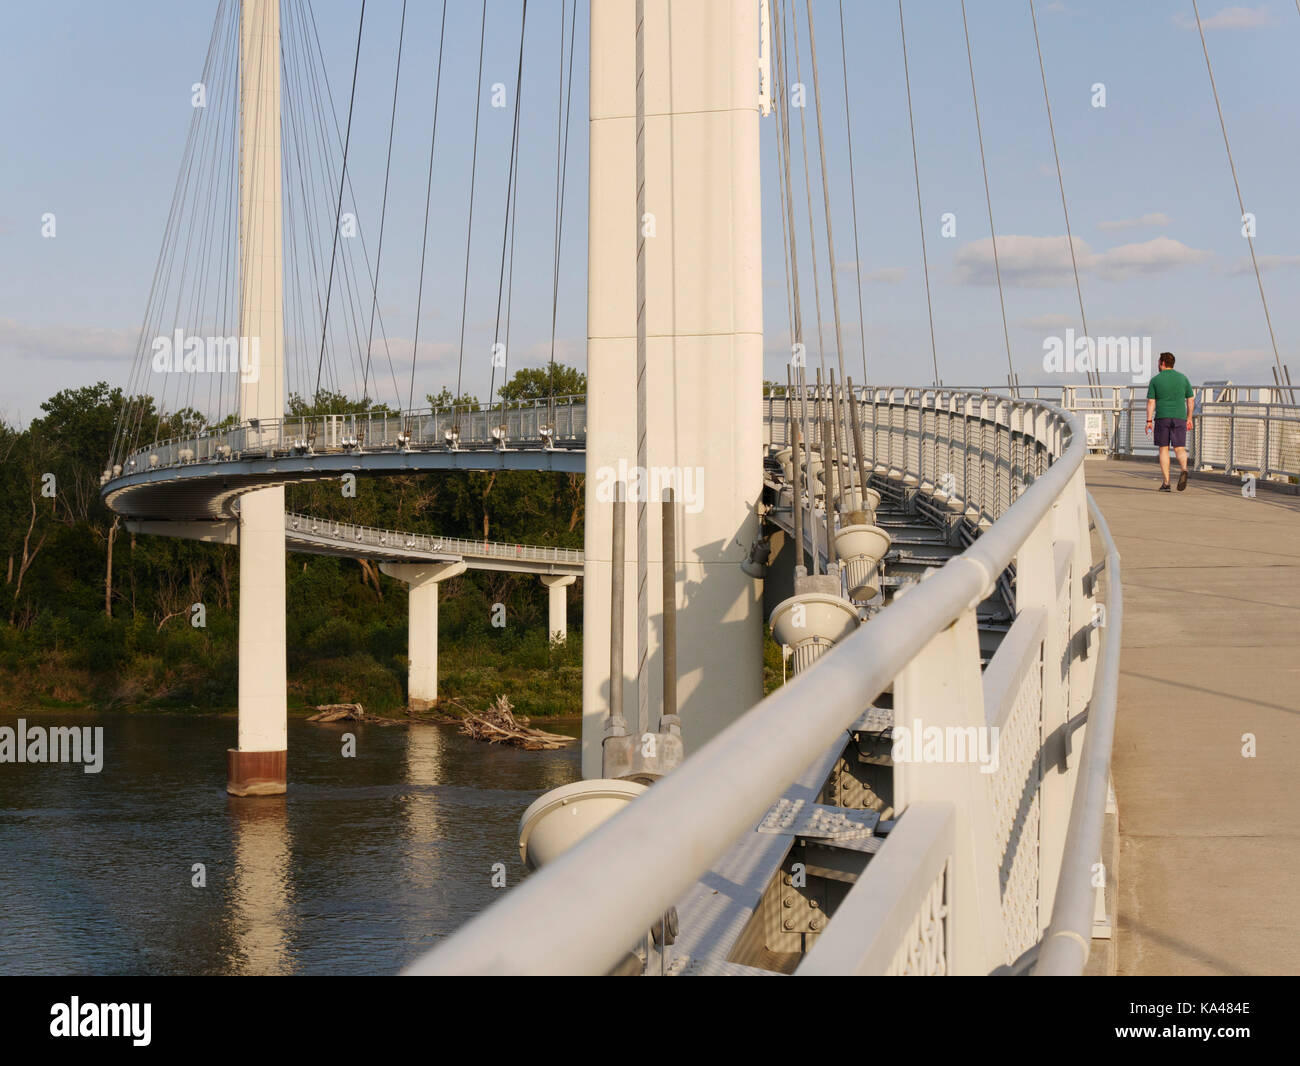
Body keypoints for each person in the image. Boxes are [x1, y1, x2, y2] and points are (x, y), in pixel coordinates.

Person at [1145, 352, 1195, 492]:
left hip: (1162, 417)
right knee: (1179, 448)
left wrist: (1149, 421)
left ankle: (1166, 483)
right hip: (1180, 417)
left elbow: (1151, 402)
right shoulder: (1183, 378)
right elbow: (1190, 400)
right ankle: (1184, 469)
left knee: (1164, 448)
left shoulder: (1155, 380)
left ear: (1162, 363)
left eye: (1158, 362)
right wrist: (1189, 418)